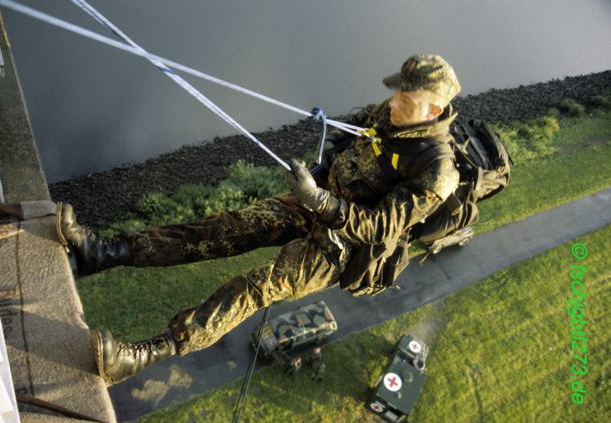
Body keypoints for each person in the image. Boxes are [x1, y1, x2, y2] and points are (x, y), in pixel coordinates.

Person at [57, 54, 462, 386]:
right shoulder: (387, 116)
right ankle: (102, 253)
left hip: (340, 247)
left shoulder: (437, 170)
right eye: (395, 95)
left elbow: (378, 227)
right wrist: (320, 171)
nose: (392, 105)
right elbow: (346, 140)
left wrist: (318, 200)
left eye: (406, 103)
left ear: (435, 110)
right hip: (316, 203)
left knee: (255, 288)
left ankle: (144, 355)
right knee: (226, 228)